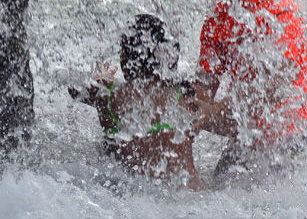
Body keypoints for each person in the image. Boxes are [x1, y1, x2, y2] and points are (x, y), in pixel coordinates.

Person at [194, 0, 307, 172]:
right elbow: (200, 94)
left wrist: (210, 113)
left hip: (291, 141)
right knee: (215, 190)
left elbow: (271, 92)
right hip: (244, 140)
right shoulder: (216, 20)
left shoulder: (284, 17)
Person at [70, 14, 206, 191]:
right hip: (192, 194)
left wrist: (101, 78)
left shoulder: (109, 94)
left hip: (131, 198)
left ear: (125, 59)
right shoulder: (185, 95)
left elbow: (73, 89)